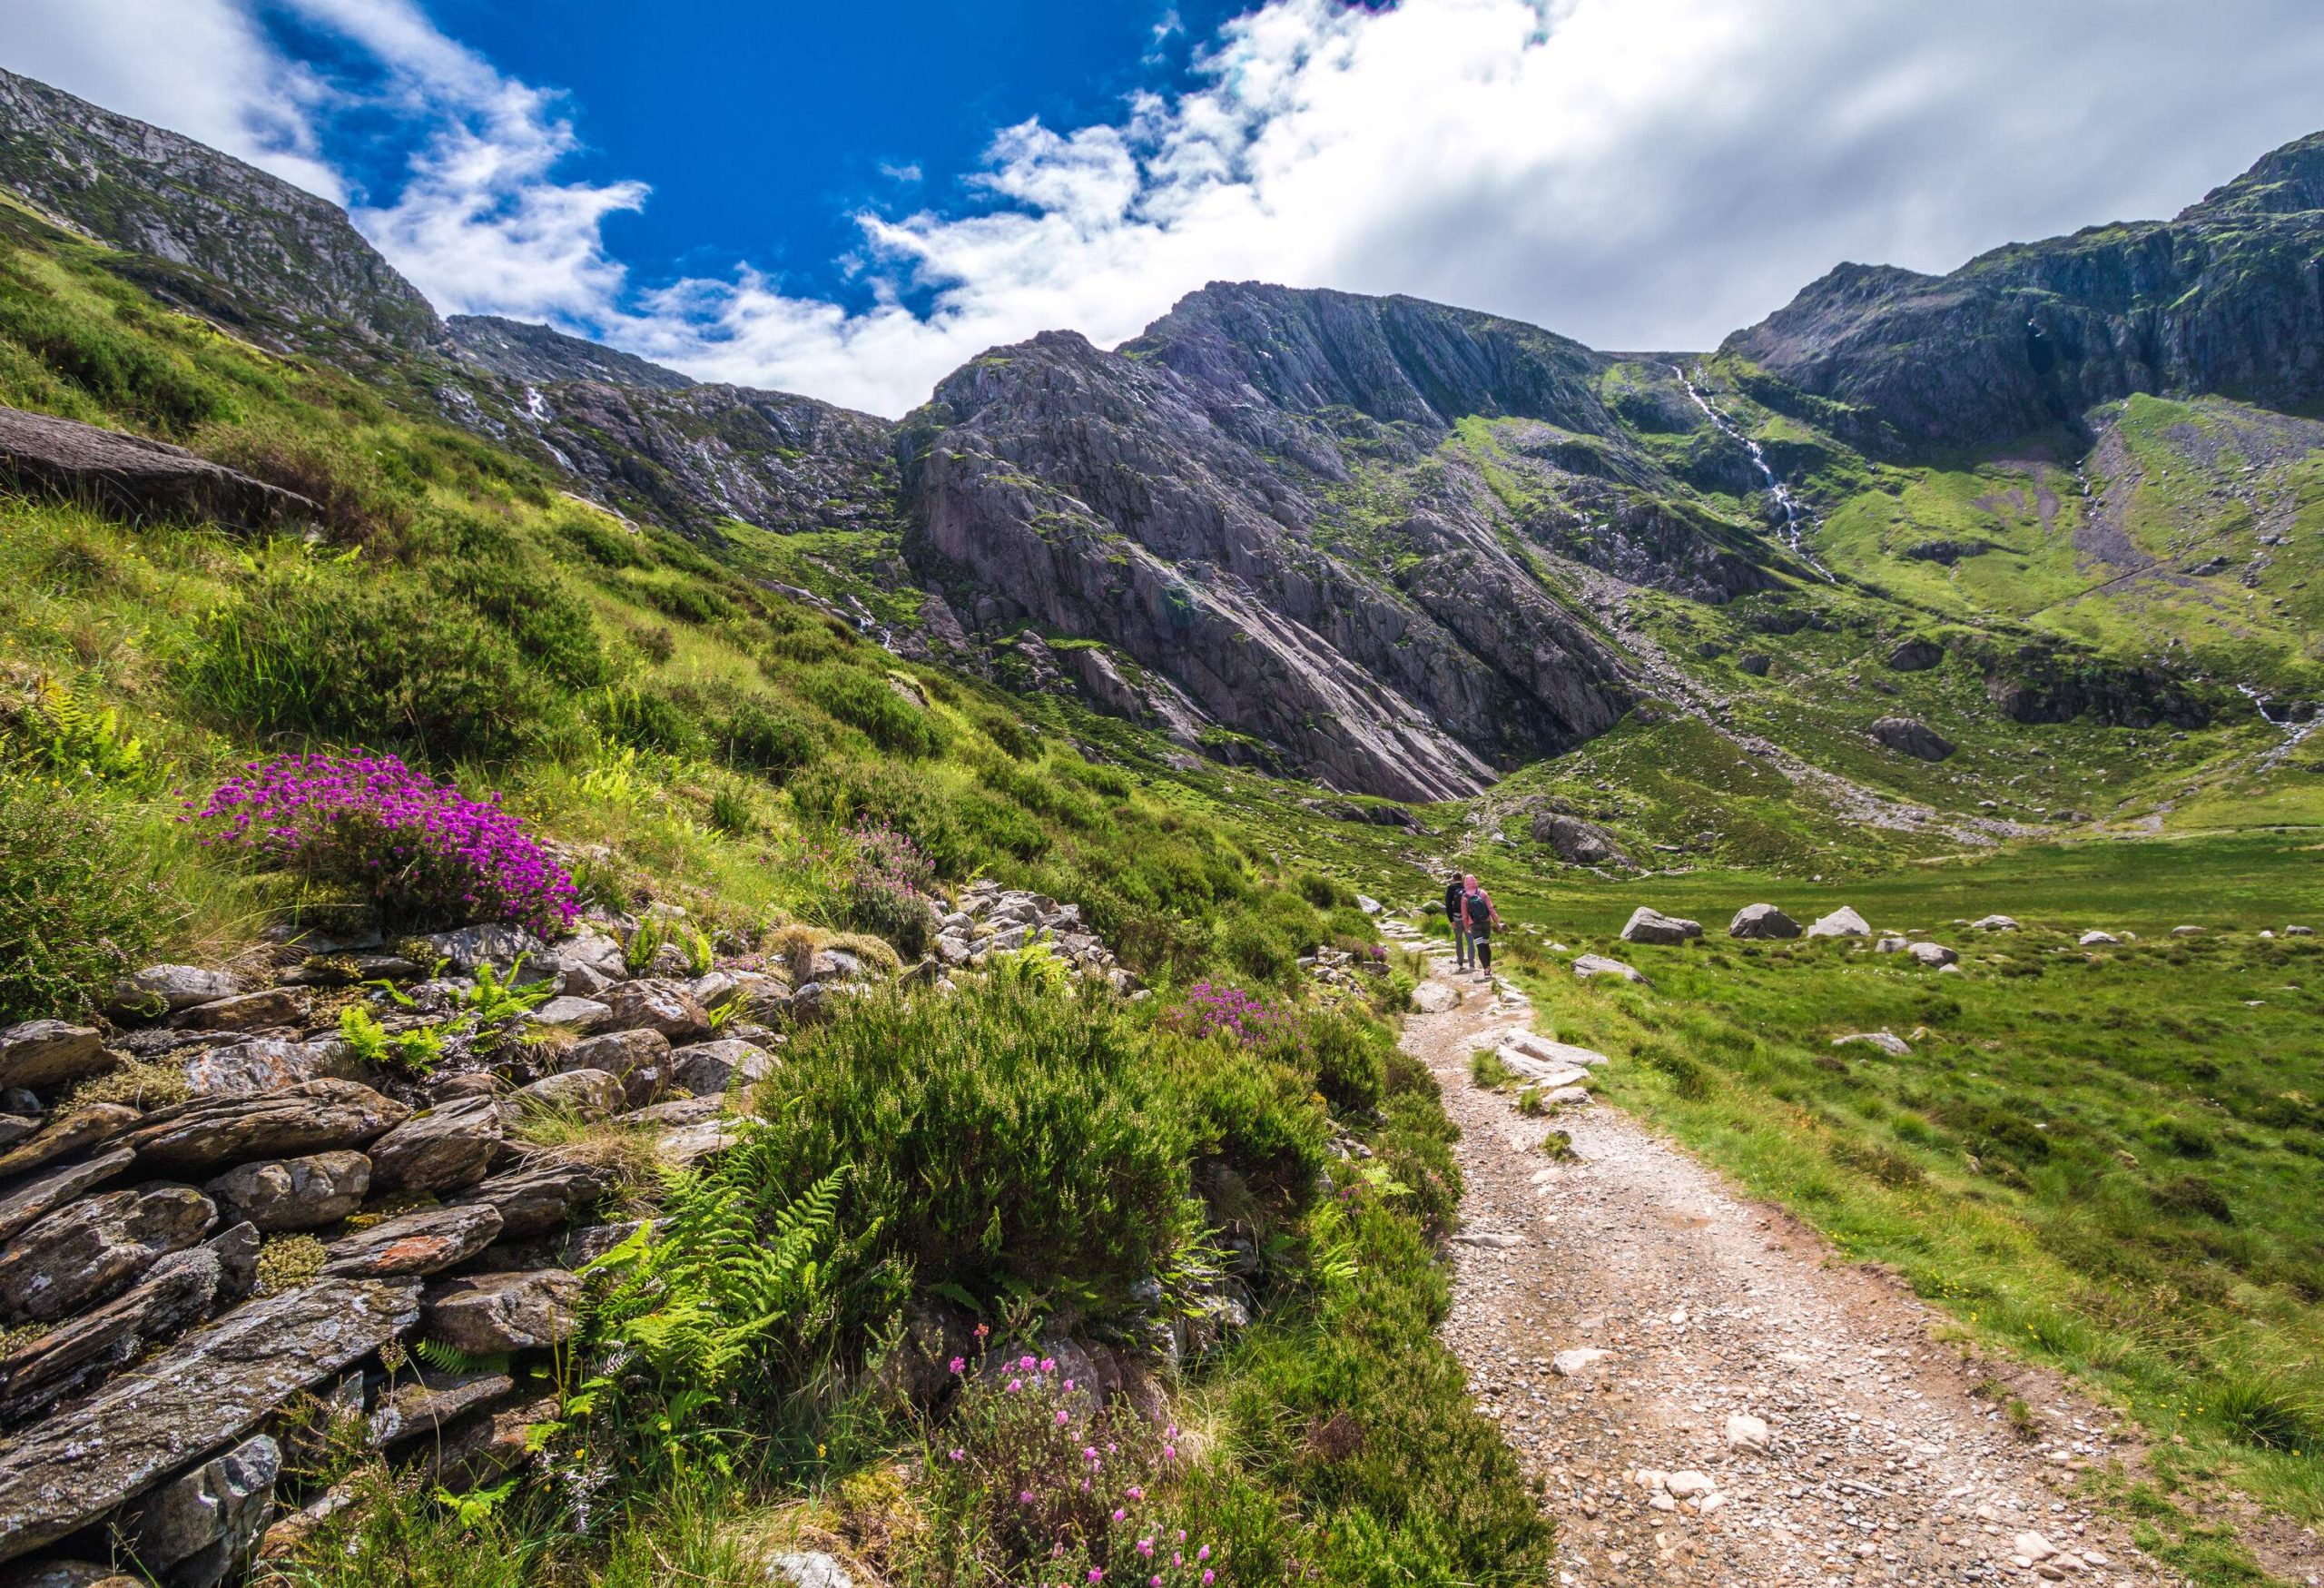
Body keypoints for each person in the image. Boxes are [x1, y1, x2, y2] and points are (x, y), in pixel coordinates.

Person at [1459, 873, 1501, 978]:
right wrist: (1496, 921)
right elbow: (1490, 908)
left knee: (1480, 946)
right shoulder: (1483, 893)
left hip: (1474, 925)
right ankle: (1489, 967)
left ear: (1465, 883)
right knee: (1486, 944)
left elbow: (1464, 915)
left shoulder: (1464, 897)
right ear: (1475, 881)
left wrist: (1466, 926)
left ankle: (1486, 969)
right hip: (1486, 923)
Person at [1443, 873, 1471, 970]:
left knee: (1458, 939)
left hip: (1456, 918)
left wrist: (1451, 920)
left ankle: (1460, 961)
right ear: (1461, 878)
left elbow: (1448, 905)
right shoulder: (1465, 887)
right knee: (1470, 939)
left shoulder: (1451, 888)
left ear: (1453, 879)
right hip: (1467, 918)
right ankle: (1472, 962)